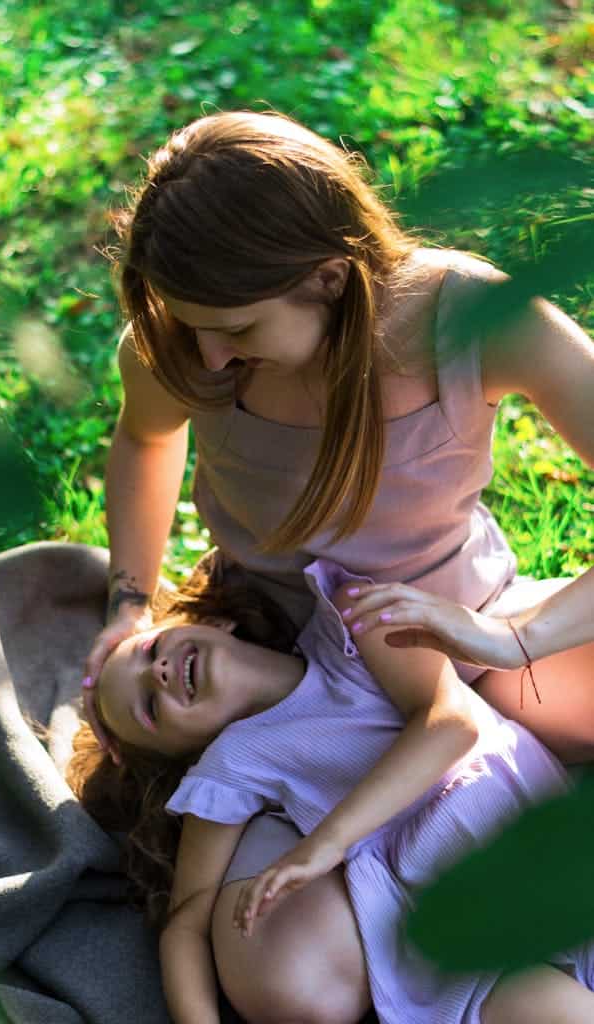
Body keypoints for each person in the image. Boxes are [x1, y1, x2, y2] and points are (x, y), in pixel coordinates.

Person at [82, 108, 594, 1019]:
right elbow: (143, 439)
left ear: (327, 275)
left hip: (475, 628)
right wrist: (129, 602)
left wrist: (515, 637)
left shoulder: (464, 315)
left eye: (233, 325)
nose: (205, 355)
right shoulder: (188, 344)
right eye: (189, 326)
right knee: (288, 988)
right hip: (293, 658)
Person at [72, 558, 594, 1024]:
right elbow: (186, 923)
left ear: (211, 622)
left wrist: (325, 843)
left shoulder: (346, 623)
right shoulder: (229, 766)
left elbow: (451, 724)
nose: (158, 673)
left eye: (150, 651)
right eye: (149, 707)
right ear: (180, 750)